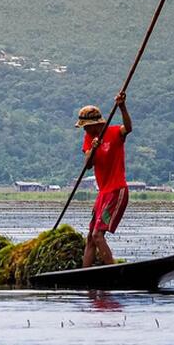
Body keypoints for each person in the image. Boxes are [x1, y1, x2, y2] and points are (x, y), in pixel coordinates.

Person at [76, 91, 132, 267]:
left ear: (94, 125)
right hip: (103, 193)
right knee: (91, 237)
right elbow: (88, 165)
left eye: (86, 126)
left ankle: (113, 272)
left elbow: (128, 128)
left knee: (98, 235)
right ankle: (84, 275)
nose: (84, 129)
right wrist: (93, 149)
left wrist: (122, 107)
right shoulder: (88, 139)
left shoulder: (115, 132)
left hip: (117, 190)